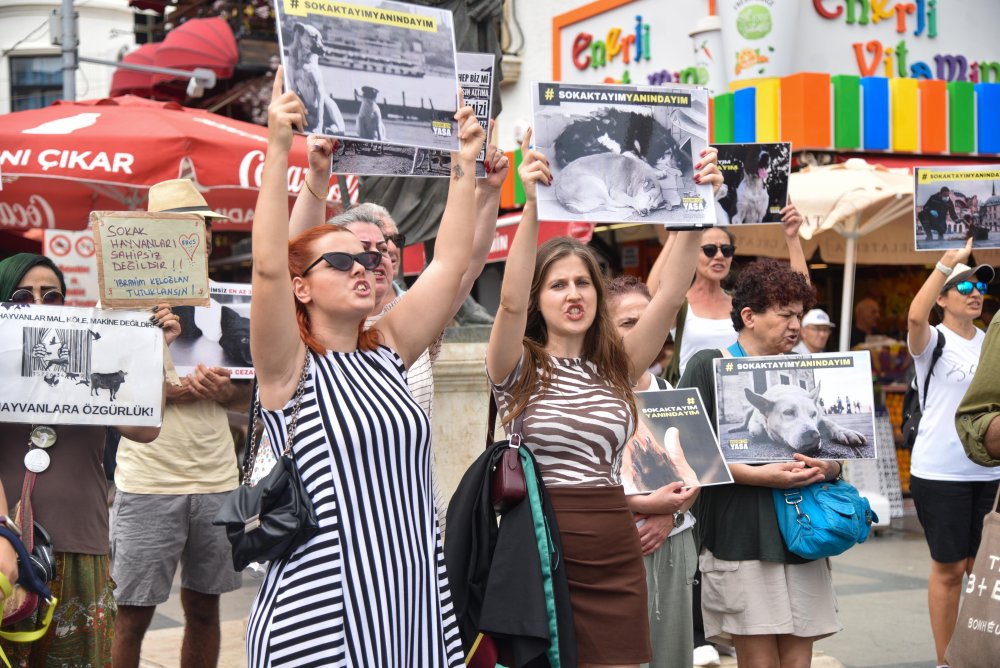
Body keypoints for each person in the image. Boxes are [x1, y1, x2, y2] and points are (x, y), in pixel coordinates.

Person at [244, 68, 483, 664]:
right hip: (319, 607)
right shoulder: (288, 367)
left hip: (411, 601)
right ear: (302, 290)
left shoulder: (388, 347)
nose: (362, 266)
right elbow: (270, 266)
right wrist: (283, 150)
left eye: (369, 258)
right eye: (341, 260)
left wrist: (464, 160)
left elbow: (451, 261)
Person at [486, 128, 722, 667]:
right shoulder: (516, 366)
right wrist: (530, 209)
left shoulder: (614, 368)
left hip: (615, 543)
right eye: (558, 285)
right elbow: (505, 303)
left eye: (583, 283)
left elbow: (667, 298)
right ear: (537, 299)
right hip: (541, 545)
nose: (573, 294)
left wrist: (694, 201)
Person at [289, 132, 509, 534]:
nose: (374, 259)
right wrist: (312, 175)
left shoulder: (395, 339)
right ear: (305, 284)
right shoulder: (300, 344)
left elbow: (457, 264)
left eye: (385, 247)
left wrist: (482, 186)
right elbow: (283, 263)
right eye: (352, 254)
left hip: (413, 519)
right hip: (329, 534)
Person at [0, 253, 178, 667]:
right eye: (24, 295)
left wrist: (152, 350)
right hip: (7, 546)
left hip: (81, 540)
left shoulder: (96, 356)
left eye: (53, 296)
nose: (40, 305)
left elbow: (143, 430)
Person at [111, 180, 252, 668]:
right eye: (189, 226)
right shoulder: (120, 306)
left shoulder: (230, 306)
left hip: (215, 477)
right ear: (155, 234)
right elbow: (102, 395)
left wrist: (226, 392)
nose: (204, 236)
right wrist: (163, 389)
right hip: (148, 479)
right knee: (131, 614)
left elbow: (252, 393)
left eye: (207, 226)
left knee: (206, 608)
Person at [679, 258, 842, 668]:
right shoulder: (706, 363)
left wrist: (828, 468)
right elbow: (684, 453)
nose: (795, 326)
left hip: (804, 536)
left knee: (798, 659)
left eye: (799, 316)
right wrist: (756, 476)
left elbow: (838, 461)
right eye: (785, 315)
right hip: (740, 538)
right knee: (758, 660)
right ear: (749, 316)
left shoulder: (806, 369)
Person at [905, 238, 1000, 668]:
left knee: (984, 573)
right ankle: (947, 661)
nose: (975, 292)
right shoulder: (932, 341)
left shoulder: (991, 341)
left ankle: (980, 654)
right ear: (942, 298)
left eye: (980, 285)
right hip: (940, 472)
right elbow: (913, 315)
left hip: (990, 472)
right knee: (949, 569)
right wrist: (946, 265)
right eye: (964, 287)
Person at [607, 275, 700, 668]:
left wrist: (670, 513)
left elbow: (699, 476)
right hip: (613, 546)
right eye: (629, 323)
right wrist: (644, 506)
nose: (645, 332)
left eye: (651, 321)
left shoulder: (671, 394)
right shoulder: (589, 395)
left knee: (673, 656)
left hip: (675, 546)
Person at [653, 205, 808, 383]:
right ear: (693, 252)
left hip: (740, 391)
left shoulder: (740, 301)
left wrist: (792, 237)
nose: (719, 256)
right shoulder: (680, 303)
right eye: (710, 249)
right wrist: (675, 233)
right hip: (695, 398)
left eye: (726, 250)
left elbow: (797, 298)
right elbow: (653, 298)